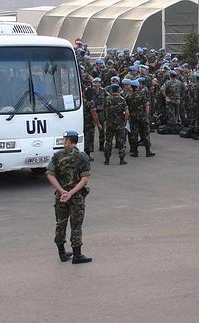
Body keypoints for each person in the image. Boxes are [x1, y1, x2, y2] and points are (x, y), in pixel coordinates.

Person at [46, 130, 93, 264]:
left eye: (65, 140)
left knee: (61, 223)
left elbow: (50, 174)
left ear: (70, 141)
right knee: (76, 225)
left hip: (61, 197)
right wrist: (71, 193)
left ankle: (62, 253)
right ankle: (77, 255)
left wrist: (61, 191)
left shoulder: (58, 156)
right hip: (76, 197)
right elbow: (84, 179)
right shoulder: (83, 157)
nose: (63, 142)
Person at [104, 84, 129, 165]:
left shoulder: (107, 99)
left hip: (109, 123)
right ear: (118, 90)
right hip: (120, 123)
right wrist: (125, 121)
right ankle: (122, 160)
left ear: (111, 90)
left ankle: (107, 160)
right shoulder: (122, 100)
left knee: (108, 142)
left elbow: (103, 110)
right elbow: (127, 113)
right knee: (121, 142)